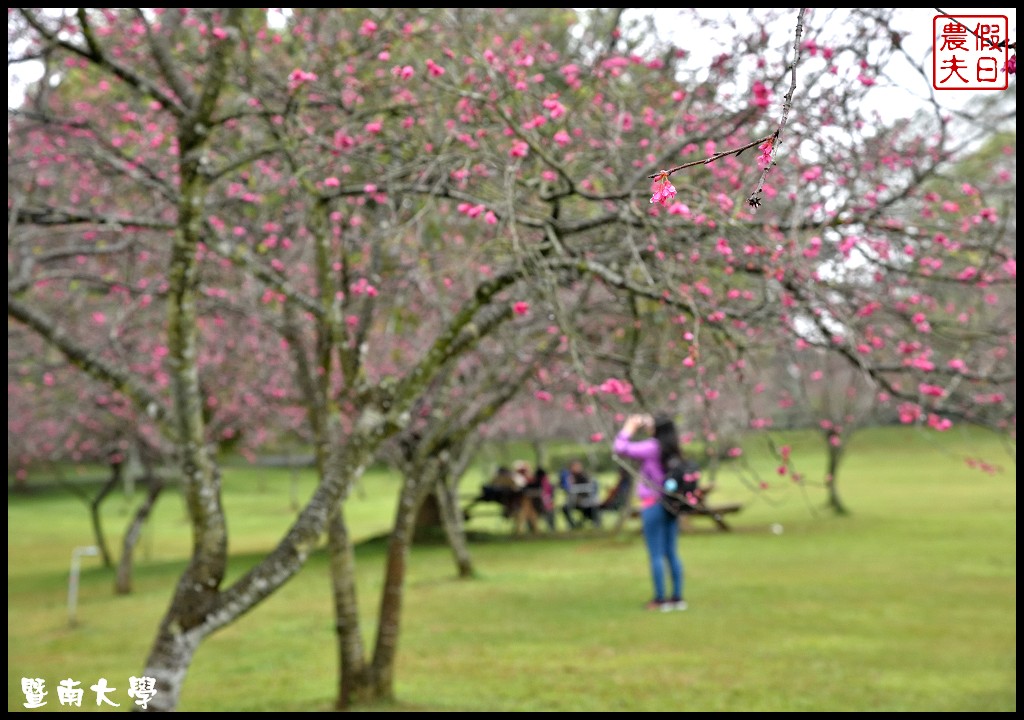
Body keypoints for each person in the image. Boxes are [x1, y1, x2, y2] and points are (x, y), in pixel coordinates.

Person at [612, 413, 688, 611]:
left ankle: (660, 599)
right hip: (670, 505)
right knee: (671, 552)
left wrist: (629, 427)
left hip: (653, 504)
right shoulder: (672, 448)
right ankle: (677, 598)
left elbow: (620, 448)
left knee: (656, 553)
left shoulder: (652, 447)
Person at [559, 459, 601, 529]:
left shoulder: (585, 475)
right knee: (565, 508)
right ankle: (573, 525)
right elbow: (566, 487)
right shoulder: (569, 476)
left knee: (592, 509)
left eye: (577, 466)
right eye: (574, 466)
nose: (576, 468)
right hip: (574, 501)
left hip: (586, 501)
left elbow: (591, 488)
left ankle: (591, 523)